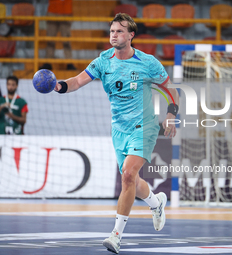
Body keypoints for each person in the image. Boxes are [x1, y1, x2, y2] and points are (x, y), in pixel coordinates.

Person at [54, 13, 179, 253]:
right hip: (119, 129)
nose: (114, 35)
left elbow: (170, 89)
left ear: (131, 35)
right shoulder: (103, 61)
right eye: (112, 31)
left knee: (128, 174)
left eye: (119, 31)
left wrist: (171, 115)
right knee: (130, 179)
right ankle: (156, 202)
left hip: (145, 125)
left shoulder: (147, 62)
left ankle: (116, 235)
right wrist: (59, 86)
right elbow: (78, 81)